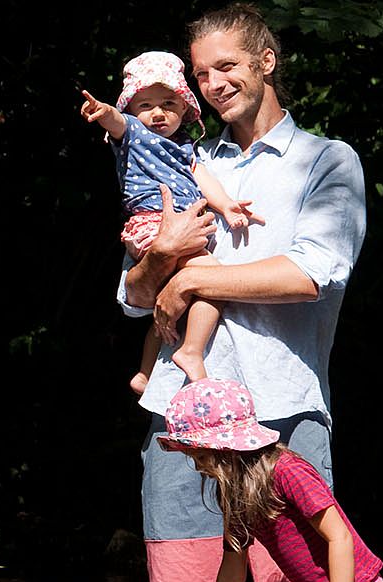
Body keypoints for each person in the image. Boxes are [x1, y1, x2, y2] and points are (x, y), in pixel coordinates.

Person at [114, 3, 368, 582]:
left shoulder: (325, 160)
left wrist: (195, 274)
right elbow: (134, 295)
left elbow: (315, 273)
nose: (216, 81)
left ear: (266, 61)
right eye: (203, 73)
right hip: (186, 417)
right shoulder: (187, 161)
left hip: (283, 407)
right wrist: (161, 257)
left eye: (227, 65)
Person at [156, 378, 383, 582]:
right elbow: (232, 573)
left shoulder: (287, 471)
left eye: (198, 454)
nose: (195, 465)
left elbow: (340, 539)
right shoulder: (234, 492)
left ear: (225, 449)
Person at [79, 50, 262, 393]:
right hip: (153, 222)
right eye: (145, 105)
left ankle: (145, 373)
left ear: (184, 110)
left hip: (173, 224)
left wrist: (226, 207)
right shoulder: (133, 134)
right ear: (132, 109)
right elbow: (118, 124)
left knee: (170, 302)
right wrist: (105, 113)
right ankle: (191, 351)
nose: (157, 113)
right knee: (213, 279)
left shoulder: (184, 149)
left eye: (168, 104)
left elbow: (203, 178)